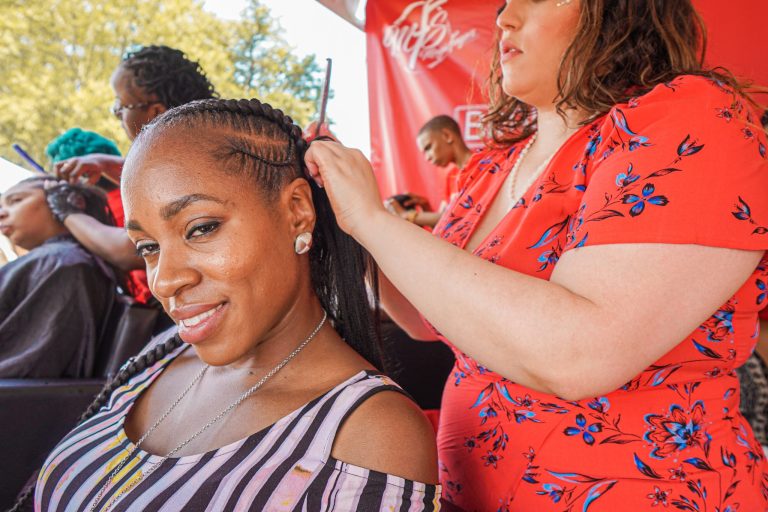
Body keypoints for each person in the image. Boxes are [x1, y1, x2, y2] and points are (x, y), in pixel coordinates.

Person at [304, 1, 768, 510]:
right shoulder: (491, 167)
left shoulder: (693, 118)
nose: (504, 18)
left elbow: (577, 353)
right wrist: (342, 216)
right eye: (503, 3)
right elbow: (426, 316)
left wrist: (373, 220)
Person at [25, 98, 440, 511]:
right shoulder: (165, 352)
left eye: (201, 229)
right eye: (147, 247)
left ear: (298, 211)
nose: (165, 280)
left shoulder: (370, 435)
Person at [50, 45, 216, 303]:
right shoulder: (206, 145)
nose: (118, 115)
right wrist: (108, 164)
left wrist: (68, 214)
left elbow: (127, 250)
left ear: (156, 112)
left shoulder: (188, 163)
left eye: (121, 106)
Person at [0, 177, 116, 378]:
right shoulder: (56, 260)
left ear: (69, 202)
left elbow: (29, 366)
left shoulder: (64, 264)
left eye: (16, 200)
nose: (1, 213)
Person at [385, 116, 473, 228]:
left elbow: (462, 218)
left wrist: (406, 215)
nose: (427, 158)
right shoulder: (451, 176)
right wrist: (425, 206)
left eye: (428, 148)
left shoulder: (484, 166)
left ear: (447, 136)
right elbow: (442, 226)